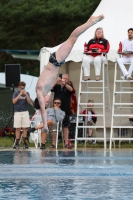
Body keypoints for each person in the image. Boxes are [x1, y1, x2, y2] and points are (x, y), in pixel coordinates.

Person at [36, 14, 104, 136]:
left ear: (40, 100)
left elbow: (42, 111)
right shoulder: (45, 92)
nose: (47, 102)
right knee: (73, 39)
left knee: (72, 38)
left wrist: (45, 125)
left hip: (55, 60)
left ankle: (92, 22)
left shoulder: (39, 92)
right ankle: (89, 21)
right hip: (57, 62)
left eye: (45, 102)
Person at [51, 74, 73, 148]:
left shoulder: (69, 85)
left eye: (66, 78)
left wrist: (65, 84)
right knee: (54, 127)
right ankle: (53, 143)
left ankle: (66, 142)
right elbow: (51, 88)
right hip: (56, 110)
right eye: (63, 78)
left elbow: (71, 90)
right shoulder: (57, 86)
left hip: (65, 110)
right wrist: (56, 81)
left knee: (65, 127)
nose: (64, 79)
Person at [13, 81, 31, 149]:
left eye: (23, 88)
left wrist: (26, 95)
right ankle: (17, 143)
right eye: (21, 88)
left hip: (25, 111)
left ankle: (25, 143)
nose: (22, 89)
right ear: (18, 87)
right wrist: (20, 94)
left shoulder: (27, 93)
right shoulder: (15, 93)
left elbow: (29, 102)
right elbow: (14, 102)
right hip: (17, 111)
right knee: (17, 128)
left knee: (24, 128)